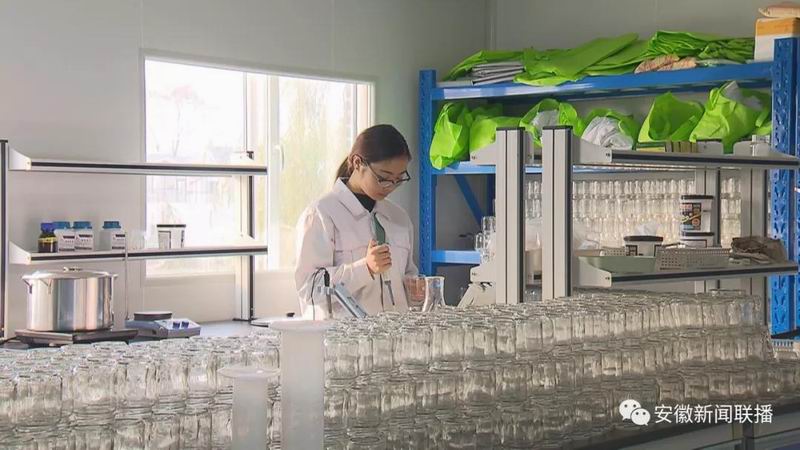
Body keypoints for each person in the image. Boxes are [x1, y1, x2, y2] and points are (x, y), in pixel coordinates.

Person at [294, 124, 418, 319]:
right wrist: (364, 268)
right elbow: (308, 289)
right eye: (384, 178)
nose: (390, 186)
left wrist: (417, 288)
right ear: (357, 162)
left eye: (399, 179)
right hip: (340, 335)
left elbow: (409, 275)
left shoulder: (399, 218)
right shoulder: (321, 214)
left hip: (394, 333)